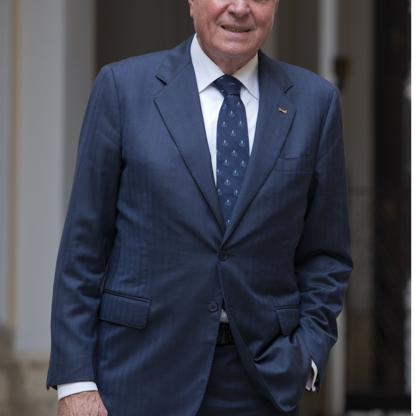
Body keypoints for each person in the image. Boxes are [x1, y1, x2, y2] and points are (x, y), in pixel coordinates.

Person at [47, 0, 353, 415]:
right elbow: (83, 247)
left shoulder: (315, 103)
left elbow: (326, 255)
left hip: (260, 383)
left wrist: (307, 355)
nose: (240, 8)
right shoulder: (122, 88)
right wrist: (76, 382)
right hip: (137, 376)